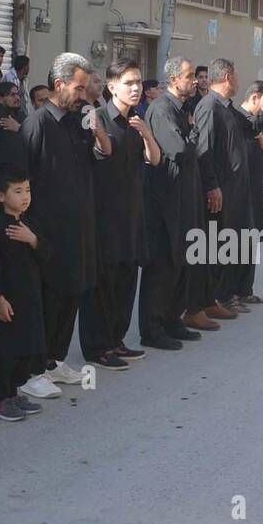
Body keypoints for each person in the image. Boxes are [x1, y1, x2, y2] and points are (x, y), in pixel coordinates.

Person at [0, 53, 112, 387]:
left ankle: (54, 360)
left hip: (77, 232)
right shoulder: (37, 124)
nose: (83, 95)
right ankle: (32, 370)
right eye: (78, 88)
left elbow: (99, 158)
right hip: (46, 235)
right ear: (58, 85)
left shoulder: (78, 124)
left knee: (70, 298)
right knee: (45, 303)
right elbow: (17, 177)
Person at [78, 58, 160, 369]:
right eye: (129, 83)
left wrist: (147, 135)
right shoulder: (96, 118)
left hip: (132, 214)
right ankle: (97, 347)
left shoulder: (137, 121)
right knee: (102, 285)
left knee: (126, 281)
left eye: (138, 82)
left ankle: (117, 340)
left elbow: (155, 161)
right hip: (103, 217)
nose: (136, 88)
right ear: (112, 87)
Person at [140, 55, 204, 348]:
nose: (194, 80)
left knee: (181, 263)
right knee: (163, 267)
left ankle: (172, 319)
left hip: (185, 197)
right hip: (165, 201)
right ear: (173, 80)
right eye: (189, 76)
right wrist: (192, 131)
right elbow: (180, 149)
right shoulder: (162, 110)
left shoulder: (184, 109)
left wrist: (191, 130)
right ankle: (152, 329)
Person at [186, 57, 251, 320]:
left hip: (234, 191)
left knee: (229, 244)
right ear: (227, 77)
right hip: (219, 192)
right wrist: (212, 186)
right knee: (217, 246)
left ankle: (222, 296)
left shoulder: (226, 108)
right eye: (235, 75)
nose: (237, 80)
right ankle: (210, 298)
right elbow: (204, 150)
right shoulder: (209, 107)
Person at [0, 166, 47, 421]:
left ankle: (13, 392)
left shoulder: (29, 224)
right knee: (4, 350)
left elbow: (47, 256)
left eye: (28, 190)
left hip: (29, 298)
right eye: (17, 191)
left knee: (24, 347)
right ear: (0, 196)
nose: (25, 197)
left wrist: (33, 240)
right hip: (6, 300)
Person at [235, 81, 263, 304]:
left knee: (251, 241)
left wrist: (260, 135)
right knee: (237, 243)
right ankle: (232, 293)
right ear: (254, 98)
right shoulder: (239, 119)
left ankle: (245, 290)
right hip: (239, 191)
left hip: (254, 189)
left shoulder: (255, 124)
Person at [0, 80, 26, 178]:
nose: (17, 98)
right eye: (12, 95)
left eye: (17, 94)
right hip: (2, 173)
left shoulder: (22, 116)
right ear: (0, 99)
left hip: (22, 171)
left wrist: (19, 128)